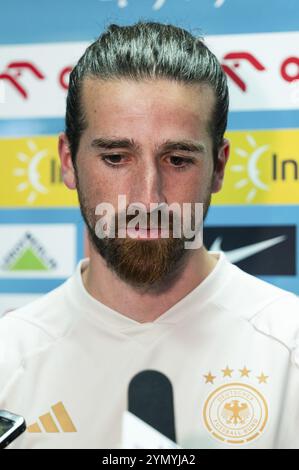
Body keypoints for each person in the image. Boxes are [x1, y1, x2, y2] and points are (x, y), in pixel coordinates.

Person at [0, 21, 298, 450]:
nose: (147, 197)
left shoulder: (290, 349)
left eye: (177, 159)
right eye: (116, 157)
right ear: (68, 161)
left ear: (218, 166)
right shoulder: (10, 360)